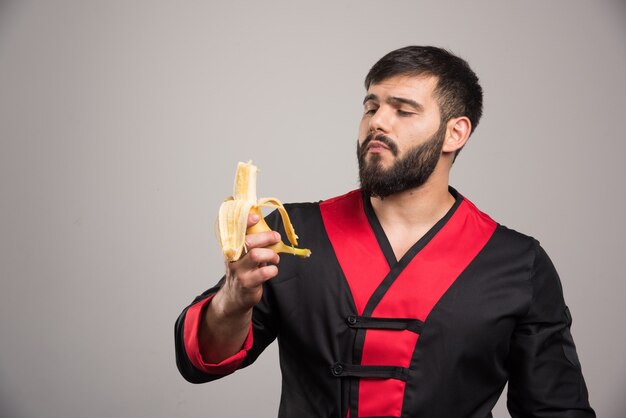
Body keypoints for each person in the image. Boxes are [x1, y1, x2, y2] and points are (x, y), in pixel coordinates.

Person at [175, 46, 595, 417]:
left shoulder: (518, 263)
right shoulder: (291, 233)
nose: (378, 122)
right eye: (371, 106)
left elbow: (557, 409)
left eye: (403, 109)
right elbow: (205, 360)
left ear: (455, 132)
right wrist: (232, 300)